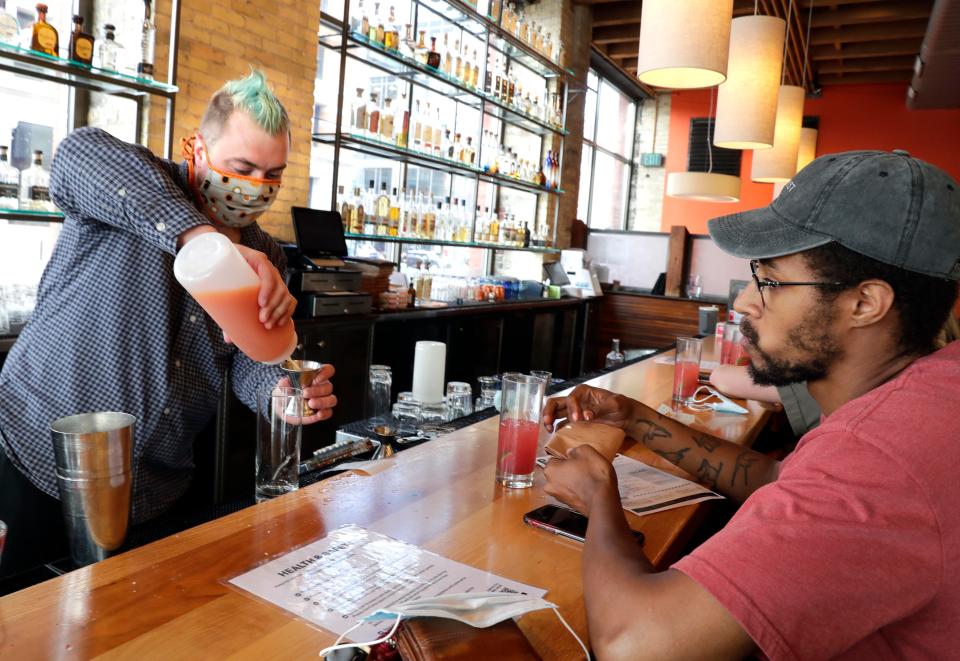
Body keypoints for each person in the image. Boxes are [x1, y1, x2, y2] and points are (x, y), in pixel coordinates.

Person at [543, 150, 960, 658]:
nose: (744, 302)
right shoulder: (925, 396)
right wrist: (634, 417)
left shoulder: (882, 451)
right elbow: (776, 483)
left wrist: (598, 502)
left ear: (865, 303)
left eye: (771, 281)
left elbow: (634, 644)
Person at [0, 70, 337, 579]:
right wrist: (206, 242)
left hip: (153, 490)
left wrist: (284, 393)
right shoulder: (138, 185)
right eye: (241, 167)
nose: (255, 188)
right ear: (197, 148)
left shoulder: (265, 253)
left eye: (272, 175)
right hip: (38, 462)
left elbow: (247, 360)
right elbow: (76, 155)